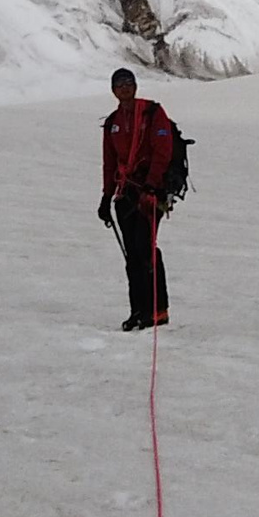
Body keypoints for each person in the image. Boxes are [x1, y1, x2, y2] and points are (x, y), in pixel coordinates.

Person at [98, 65, 174, 331]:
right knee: (132, 254)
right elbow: (109, 163)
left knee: (145, 248)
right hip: (125, 193)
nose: (125, 88)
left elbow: (163, 150)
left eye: (128, 83)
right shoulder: (112, 123)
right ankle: (139, 310)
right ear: (113, 90)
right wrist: (106, 198)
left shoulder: (153, 113)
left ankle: (158, 310)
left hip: (150, 192)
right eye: (120, 84)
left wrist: (152, 186)